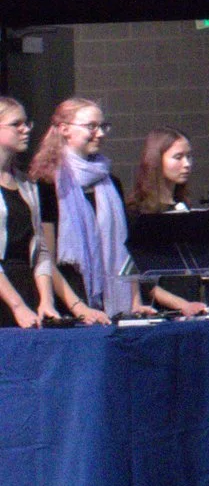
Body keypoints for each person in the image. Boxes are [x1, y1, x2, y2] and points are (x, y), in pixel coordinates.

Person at [33, 97, 131, 322]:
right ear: (65, 130)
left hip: (111, 304)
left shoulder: (111, 182)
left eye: (103, 126)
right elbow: (46, 255)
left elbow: (125, 248)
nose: (100, 133)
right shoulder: (47, 183)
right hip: (68, 303)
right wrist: (78, 307)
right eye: (91, 126)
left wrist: (135, 300)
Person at [129, 128, 208, 317]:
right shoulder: (138, 212)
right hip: (159, 311)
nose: (187, 164)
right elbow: (142, 277)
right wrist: (181, 304)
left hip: (191, 304)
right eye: (178, 157)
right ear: (157, 160)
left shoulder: (184, 206)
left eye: (189, 157)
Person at [0, 97, 62, 329]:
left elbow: (41, 250)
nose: (25, 129)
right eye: (16, 124)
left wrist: (46, 300)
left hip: (26, 288)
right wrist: (17, 306)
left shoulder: (27, 184)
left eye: (27, 123)